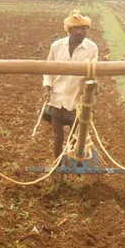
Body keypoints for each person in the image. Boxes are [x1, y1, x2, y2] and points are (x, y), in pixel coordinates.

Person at [42, 10, 99, 159]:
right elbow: (47, 68)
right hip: (57, 97)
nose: (80, 32)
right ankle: (57, 164)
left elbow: (92, 73)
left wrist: (89, 90)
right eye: (76, 28)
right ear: (69, 30)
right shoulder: (56, 46)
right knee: (57, 136)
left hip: (77, 100)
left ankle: (77, 163)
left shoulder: (92, 48)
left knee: (77, 138)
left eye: (84, 29)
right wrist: (47, 86)